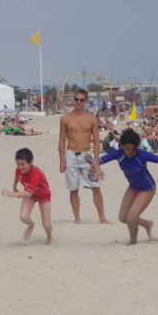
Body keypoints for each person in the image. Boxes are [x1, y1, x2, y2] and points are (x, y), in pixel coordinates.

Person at [95, 129, 158, 245]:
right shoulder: (118, 154)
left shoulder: (141, 155)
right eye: (127, 149)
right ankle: (147, 224)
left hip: (147, 188)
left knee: (131, 218)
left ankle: (133, 241)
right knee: (123, 218)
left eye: (133, 149)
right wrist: (97, 168)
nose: (130, 152)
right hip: (132, 187)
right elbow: (97, 161)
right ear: (122, 145)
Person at [58, 89, 111, 224]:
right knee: (73, 188)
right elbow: (62, 140)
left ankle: (102, 218)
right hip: (70, 155)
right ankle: (77, 218)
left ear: (86, 101)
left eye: (81, 100)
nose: (78, 102)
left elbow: (97, 141)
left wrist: (96, 160)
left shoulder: (91, 118)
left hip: (86, 155)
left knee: (95, 186)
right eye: (76, 99)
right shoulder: (65, 118)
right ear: (73, 100)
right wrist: (61, 160)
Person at [1, 148, 54, 244]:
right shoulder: (18, 170)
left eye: (23, 164)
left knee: (46, 224)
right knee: (23, 217)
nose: (20, 167)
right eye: (18, 164)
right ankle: (31, 225)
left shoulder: (36, 172)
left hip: (43, 196)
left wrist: (11, 194)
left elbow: (28, 193)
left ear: (31, 162)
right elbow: (17, 177)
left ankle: (49, 236)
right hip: (30, 196)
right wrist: (14, 186)